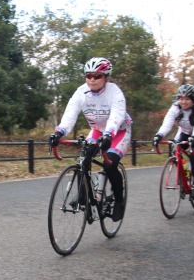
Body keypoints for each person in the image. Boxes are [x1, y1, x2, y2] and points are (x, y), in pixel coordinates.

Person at [48, 57, 132, 221]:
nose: (92, 80)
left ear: (106, 77)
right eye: (89, 76)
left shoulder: (114, 92)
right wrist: (59, 132)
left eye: (97, 76)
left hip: (118, 131)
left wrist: (109, 135)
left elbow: (116, 116)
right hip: (97, 130)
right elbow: (70, 114)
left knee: (110, 164)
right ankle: (82, 195)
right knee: (83, 158)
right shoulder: (81, 92)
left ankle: (119, 201)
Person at [152, 84, 194, 200]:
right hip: (184, 131)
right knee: (174, 151)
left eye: (187, 99)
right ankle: (184, 174)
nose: (184, 102)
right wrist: (159, 135)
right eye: (181, 99)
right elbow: (167, 123)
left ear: (193, 99)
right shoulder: (175, 107)